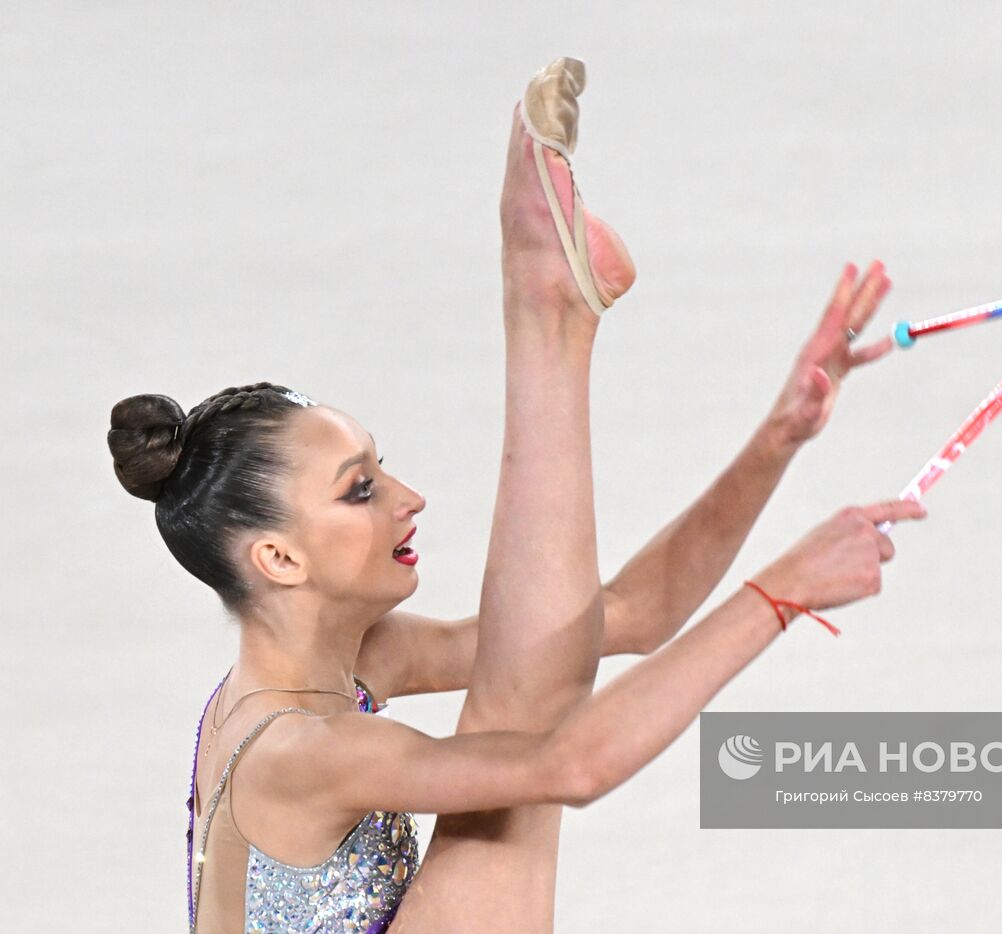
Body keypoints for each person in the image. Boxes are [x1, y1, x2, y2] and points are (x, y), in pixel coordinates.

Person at [107, 57, 923, 933]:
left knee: (530, 679)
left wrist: (779, 439)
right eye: (361, 492)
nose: (409, 499)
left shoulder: (343, 672)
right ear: (278, 556)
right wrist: (780, 595)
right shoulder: (308, 750)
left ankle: (548, 307)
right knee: (520, 737)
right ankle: (544, 312)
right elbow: (573, 767)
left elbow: (629, 615)